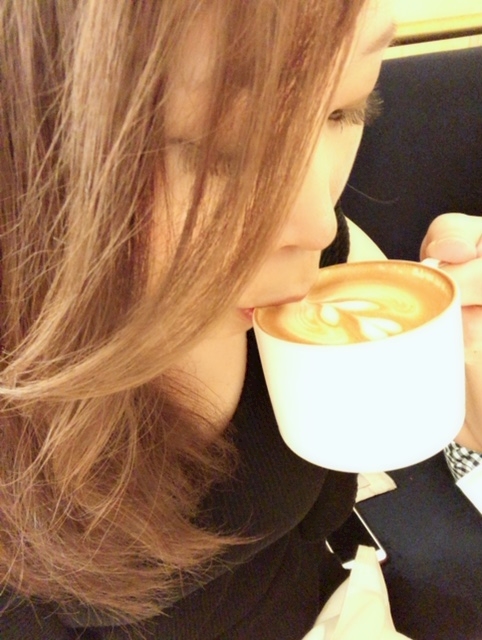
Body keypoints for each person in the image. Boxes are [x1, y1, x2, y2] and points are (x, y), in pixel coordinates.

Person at [0, 1, 481, 639]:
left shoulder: (329, 269)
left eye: (345, 110)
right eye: (219, 147)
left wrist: (468, 414)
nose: (320, 224)